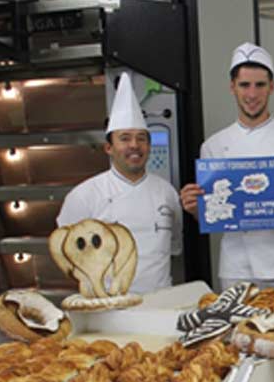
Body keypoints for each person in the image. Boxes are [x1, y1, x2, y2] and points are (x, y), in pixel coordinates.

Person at [179, 42, 274, 291]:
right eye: (245, 85)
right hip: (237, 268)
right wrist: (194, 207)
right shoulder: (214, 146)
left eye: (260, 85)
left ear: (272, 87)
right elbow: (212, 213)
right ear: (232, 87)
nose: (252, 94)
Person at [57, 73, 181, 295]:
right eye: (124, 138)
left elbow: (174, 246)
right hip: (107, 306)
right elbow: (67, 255)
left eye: (141, 138)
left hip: (161, 302)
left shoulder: (167, 193)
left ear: (149, 146)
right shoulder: (84, 195)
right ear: (109, 148)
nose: (134, 145)